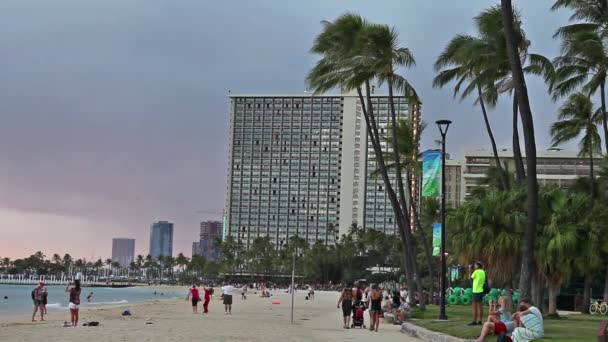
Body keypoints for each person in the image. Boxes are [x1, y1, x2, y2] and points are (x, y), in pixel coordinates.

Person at [468, 262, 486, 326]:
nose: (474, 266)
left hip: (476, 291)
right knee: (480, 306)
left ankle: (474, 321)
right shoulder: (483, 272)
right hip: (481, 290)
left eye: (475, 265)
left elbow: (470, 278)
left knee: (474, 306)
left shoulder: (476, 272)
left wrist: (470, 271)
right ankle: (480, 320)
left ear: (478, 266)